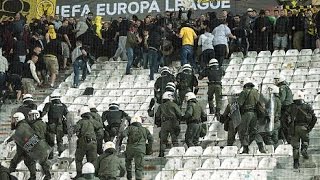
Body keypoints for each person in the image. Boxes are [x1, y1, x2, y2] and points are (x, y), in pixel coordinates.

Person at [8, 112, 51, 180]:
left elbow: (20, 141)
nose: (12, 121)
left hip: (30, 148)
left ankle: (9, 176)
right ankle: (34, 177)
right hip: (34, 148)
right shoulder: (24, 125)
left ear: (17, 119)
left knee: (15, 162)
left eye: (14, 119)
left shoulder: (21, 127)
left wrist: (22, 152)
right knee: (31, 162)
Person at [286, 91, 317, 169]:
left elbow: (284, 119)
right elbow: (314, 118)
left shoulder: (290, 107)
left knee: (295, 146)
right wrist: (310, 127)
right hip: (304, 127)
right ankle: (304, 149)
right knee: (305, 141)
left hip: (294, 128)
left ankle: (296, 163)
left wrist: (288, 127)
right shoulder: (308, 106)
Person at [237, 79, 266, 154]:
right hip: (254, 114)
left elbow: (239, 104)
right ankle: (261, 147)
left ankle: (245, 149)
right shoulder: (256, 92)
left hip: (246, 113)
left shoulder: (244, 92)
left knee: (244, 131)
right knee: (255, 131)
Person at [121, 116, 153, 180]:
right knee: (139, 167)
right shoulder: (145, 129)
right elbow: (151, 139)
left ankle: (129, 176)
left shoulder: (129, 128)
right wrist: (148, 149)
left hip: (130, 149)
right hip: (140, 149)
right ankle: (138, 178)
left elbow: (123, 134)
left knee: (128, 161)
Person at [74, 106, 101, 178]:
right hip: (93, 142)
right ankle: (93, 176)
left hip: (83, 142)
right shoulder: (93, 122)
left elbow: (75, 129)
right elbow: (100, 128)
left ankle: (79, 175)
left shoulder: (81, 122)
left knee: (78, 159)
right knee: (92, 160)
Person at [41, 92, 68, 158]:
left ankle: (50, 156)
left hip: (51, 125)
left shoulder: (49, 104)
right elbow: (67, 115)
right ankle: (61, 154)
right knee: (60, 141)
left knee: (50, 141)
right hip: (60, 125)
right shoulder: (63, 105)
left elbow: (43, 113)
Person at [155, 92, 182, 157]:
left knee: (163, 140)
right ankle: (176, 153)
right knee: (174, 139)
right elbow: (179, 114)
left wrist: (158, 123)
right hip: (174, 122)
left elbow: (157, 116)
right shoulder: (174, 105)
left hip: (165, 123)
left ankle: (161, 154)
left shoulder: (161, 106)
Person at [274, 75, 293, 143]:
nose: (275, 81)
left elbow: (282, 98)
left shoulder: (282, 87)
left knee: (284, 124)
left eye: (276, 80)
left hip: (285, 108)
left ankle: (288, 140)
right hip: (288, 108)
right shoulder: (285, 87)